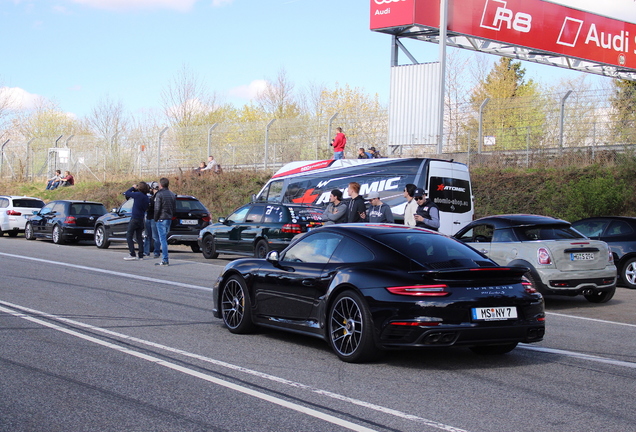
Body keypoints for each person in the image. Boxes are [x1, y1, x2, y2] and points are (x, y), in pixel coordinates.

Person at [123, 182, 150, 260]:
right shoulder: (146, 197)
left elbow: (127, 193)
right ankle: (141, 254)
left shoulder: (138, 195)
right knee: (139, 237)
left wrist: (133, 188)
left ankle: (132, 253)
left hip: (134, 218)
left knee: (129, 235)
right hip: (141, 219)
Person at [154, 177, 177, 266]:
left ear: (161, 185)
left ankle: (165, 259)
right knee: (164, 239)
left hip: (161, 218)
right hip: (168, 218)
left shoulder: (159, 194)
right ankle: (165, 258)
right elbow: (174, 208)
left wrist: (155, 218)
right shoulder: (172, 194)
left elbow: (157, 208)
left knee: (162, 239)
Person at [144, 181, 162, 259]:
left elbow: (156, 208)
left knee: (155, 236)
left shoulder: (158, 197)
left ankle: (156, 252)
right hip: (149, 218)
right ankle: (146, 251)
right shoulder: (151, 197)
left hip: (154, 219)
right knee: (147, 236)